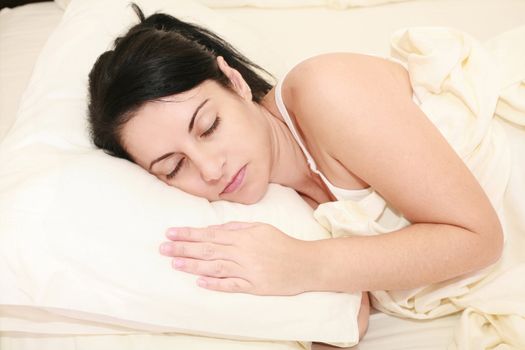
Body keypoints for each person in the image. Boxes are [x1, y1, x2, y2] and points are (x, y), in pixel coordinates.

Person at [87, 4, 503, 340]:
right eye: (175, 167)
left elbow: (478, 237)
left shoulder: (325, 91)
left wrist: (305, 264)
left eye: (209, 126)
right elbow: (347, 322)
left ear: (234, 82)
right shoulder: (272, 207)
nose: (211, 169)